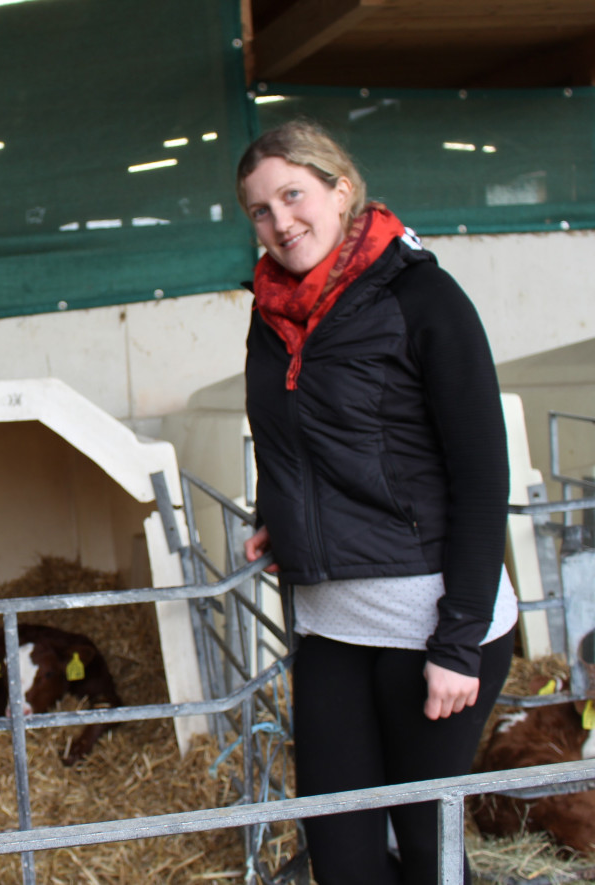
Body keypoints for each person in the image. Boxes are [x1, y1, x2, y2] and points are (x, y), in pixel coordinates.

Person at [237, 120, 518, 884]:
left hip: (430, 618)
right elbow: (287, 431)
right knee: (343, 854)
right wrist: (280, 514)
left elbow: (482, 475)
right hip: (330, 618)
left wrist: (458, 639)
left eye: (294, 194)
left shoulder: (422, 296)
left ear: (341, 189)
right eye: (260, 209)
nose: (280, 221)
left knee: (430, 849)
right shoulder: (272, 312)